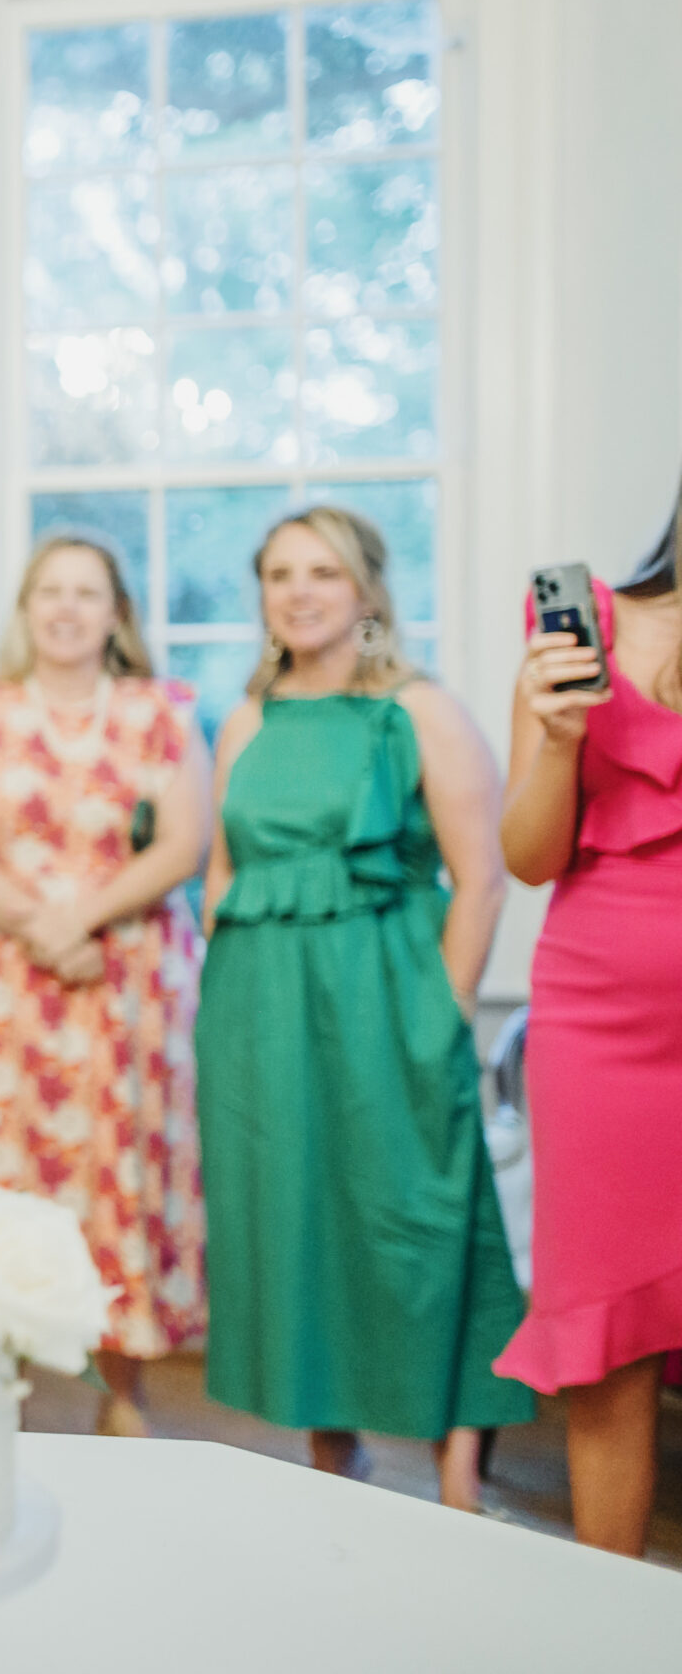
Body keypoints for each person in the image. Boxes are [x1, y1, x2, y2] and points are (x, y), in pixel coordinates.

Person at [199, 506, 532, 1511]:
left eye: (323, 572)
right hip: (260, 1011)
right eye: (280, 572)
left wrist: (440, 1009)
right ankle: (327, 1445)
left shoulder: (418, 709)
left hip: (384, 998)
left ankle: (453, 1460)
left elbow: (481, 878)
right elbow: (220, 868)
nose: (298, 591)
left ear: (366, 590)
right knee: (293, 1218)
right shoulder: (248, 718)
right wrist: (231, 998)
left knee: (413, 1210)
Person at [0, 534, 209, 1438]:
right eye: (50, 591)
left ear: (115, 611)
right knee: (3, 1180)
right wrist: (40, 929)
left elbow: (183, 843)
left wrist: (78, 922)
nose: (67, 608)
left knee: (117, 1175)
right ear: (26, 608)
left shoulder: (160, 713)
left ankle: (124, 1394)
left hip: (126, 985)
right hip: (9, 989)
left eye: (87, 592)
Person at [495, 480, 682, 1557]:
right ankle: (603, 1620)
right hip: (600, 1022)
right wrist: (559, 737)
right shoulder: (588, 619)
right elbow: (528, 856)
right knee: (606, 1342)